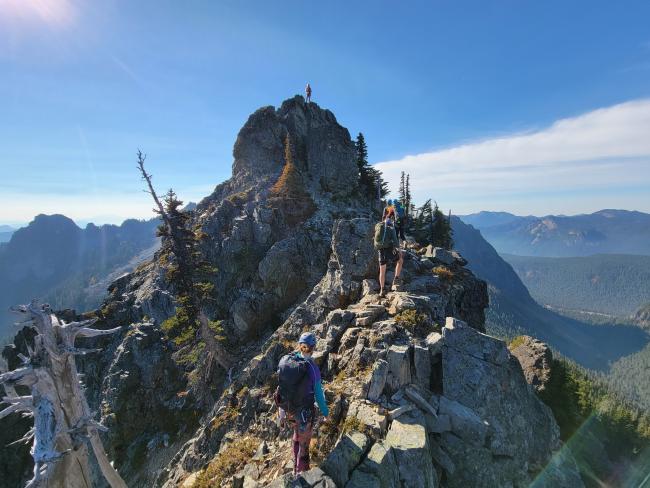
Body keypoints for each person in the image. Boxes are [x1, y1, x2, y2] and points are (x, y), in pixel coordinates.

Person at [275, 332, 328, 476]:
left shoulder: (287, 361)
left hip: (289, 410)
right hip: (304, 413)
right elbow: (318, 394)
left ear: (299, 345)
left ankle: (294, 466)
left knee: (296, 434)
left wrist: (281, 413)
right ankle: (301, 475)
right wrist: (325, 412)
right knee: (304, 444)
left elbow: (281, 388)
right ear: (313, 347)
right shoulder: (311, 368)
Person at [374, 207, 404, 297]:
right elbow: (395, 241)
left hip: (380, 250)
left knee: (382, 271)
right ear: (392, 217)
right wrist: (399, 251)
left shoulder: (378, 225)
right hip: (389, 249)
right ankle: (396, 279)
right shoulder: (391, 226)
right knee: (400, 261)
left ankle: (382, 290)